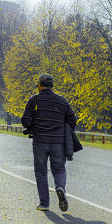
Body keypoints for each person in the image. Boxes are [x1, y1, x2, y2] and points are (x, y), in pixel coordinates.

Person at [21, 73, 79, 211]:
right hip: (58, 142)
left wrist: (32, 126)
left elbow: (25, 120)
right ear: (52, 86)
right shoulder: (62, 101)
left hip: (40, 141)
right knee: (59, 169)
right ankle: (60, 188)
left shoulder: (34, 100)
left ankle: (44, 203)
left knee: (41, 172)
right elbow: (72, 120)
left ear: (39, 85)